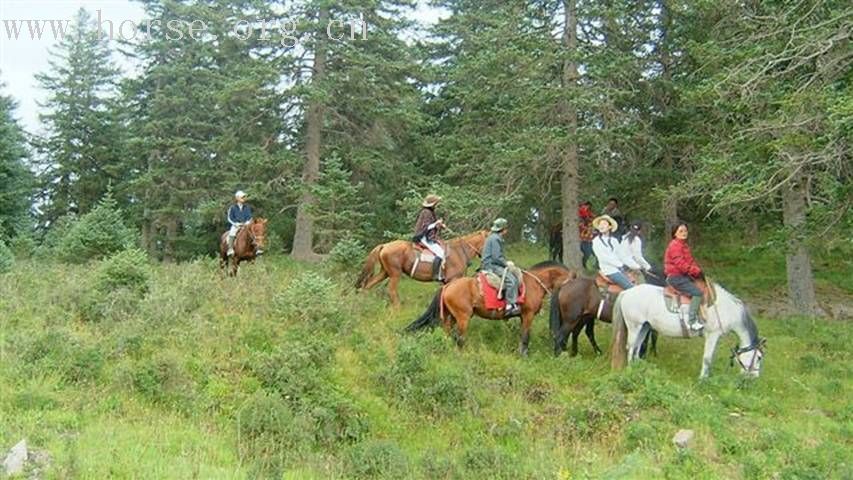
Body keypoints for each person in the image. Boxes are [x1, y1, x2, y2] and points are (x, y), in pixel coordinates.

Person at [664, 223, 704, 331]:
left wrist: (698, 270)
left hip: (683, 275)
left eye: (685, 231)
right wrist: (695, 271)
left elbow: (690, 261)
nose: (684, 233)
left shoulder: (684, 245)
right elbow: (681, 264)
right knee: (697, 293)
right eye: (681, 231)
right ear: (675, 233)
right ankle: (692, 322)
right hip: (676, 276)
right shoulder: (674, 245)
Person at [481, 218, 521, 316]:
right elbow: (496, 257)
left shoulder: (492, 237)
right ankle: (510, 305)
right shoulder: (496, 239)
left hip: (491, 263)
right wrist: (506, 263)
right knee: (511, 280)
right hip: (491, 265)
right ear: (503, 229)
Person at [591, 214, 636, 290]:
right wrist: (620, 264)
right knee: (631, 288)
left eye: (604, 224)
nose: (601, 226)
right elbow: (603, 257)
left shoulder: (614, 241)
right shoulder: (596, 241)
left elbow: (621, 255)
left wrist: (633, 264)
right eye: (600, 224)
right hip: (608, 270)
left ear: (610, 227)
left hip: (619, 268)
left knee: (636, 279)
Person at [413, 194, 445, 281]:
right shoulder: (426, 212)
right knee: (440, 253)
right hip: (423, 237)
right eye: (437, 203)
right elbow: (426, 227)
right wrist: (436, 223)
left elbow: (431, 225)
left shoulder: (429, 212)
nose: (437, 205)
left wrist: (439, 224)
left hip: (426, 235)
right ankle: (435, 275)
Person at [226, 190, 254, 257]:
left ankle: (257, 249)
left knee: (253, 233)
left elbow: (250, 216)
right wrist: (236, 223)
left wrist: (248, 222)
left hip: (246, 225)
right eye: (242, 197)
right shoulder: (232, 208)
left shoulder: (247, 207)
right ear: (237, 198)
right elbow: (229, 218)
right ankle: (230, 249)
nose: (244, 198)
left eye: (244, 197)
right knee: (232, 233)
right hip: (236, 225)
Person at [578, 201, 594, 268]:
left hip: (586, 236)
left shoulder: (588, 212)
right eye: (586, 206)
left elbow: (591, 217)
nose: (586, 207)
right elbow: (585, 219)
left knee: (587, 252)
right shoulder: (581, 211)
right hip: (582, 235)